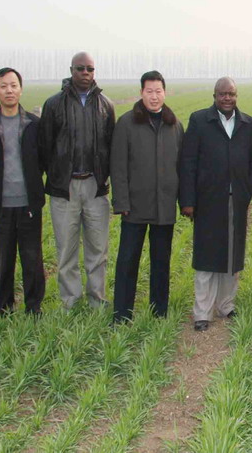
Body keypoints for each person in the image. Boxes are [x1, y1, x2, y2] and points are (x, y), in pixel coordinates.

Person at [180, 77, 252, 331]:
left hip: (236, 199)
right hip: (207, 199)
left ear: (237, 96)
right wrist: (188, 200)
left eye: (231, 94)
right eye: (222, 94)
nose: (227, 98)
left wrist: (249, 188)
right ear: (214, 96)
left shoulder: (247, 124)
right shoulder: (199, 121)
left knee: (232, 255)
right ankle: (202, 312)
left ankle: (226, 305)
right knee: (206, 256)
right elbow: (188, 162)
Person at [39, 52, 115, 309]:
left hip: (95, 187)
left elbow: (111, 146)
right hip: (65, 188)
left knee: (98, 250)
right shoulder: (53, 105)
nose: (85, 73)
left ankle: (97, 300)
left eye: (90, 69)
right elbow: (44, 147)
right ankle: (70, 301)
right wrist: (56, 176)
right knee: (66, 249)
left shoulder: (105, 105)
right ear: (71, 69)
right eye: (80, 68)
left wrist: (104, 178)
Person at [110, 71, 183, 323]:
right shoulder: (127, 123)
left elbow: (181, 167)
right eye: (149, 91)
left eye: (158, 91)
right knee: (128, 261)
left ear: (165, 92)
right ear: (141, 93)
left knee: (161, 262)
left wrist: (183, 201)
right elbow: (118, 166)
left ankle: (159, 311)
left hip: (164, 206)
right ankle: (122, 314)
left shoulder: (174, 125)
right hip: (134, 206)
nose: (154, 96)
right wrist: (121, 202)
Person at [0, 67, 45, 315]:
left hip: (29, 204)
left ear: (21, 89)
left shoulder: (34, 124)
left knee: (32, 258)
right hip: (1, 205)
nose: (9, 90)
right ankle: (4, 309)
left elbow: (43, 159)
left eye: (13, 85)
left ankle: (34, 307)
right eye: (3, 86)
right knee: (4, 259)